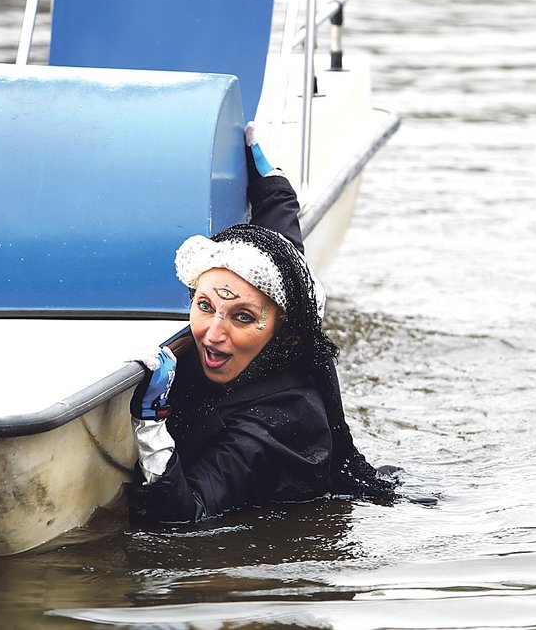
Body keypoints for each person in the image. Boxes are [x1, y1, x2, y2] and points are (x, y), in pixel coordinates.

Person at [128, 122, 397, 524]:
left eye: (242, 317)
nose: (212, 334)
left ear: (284, 335)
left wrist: (150, 424)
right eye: (204, 305)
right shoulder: (279, 298)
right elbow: (283, 248)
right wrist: (272, 186)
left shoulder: (280, 423)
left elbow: (185, 514)